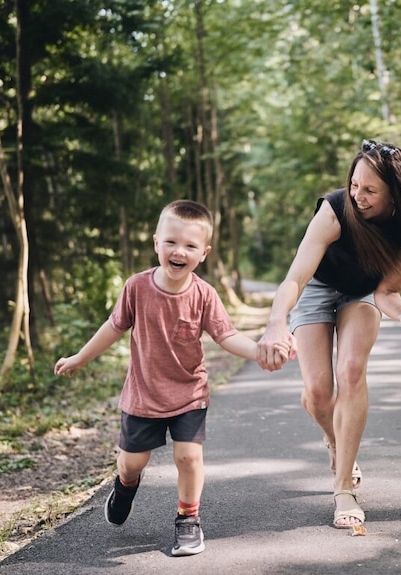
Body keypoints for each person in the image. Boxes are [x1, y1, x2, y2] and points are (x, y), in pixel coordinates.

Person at [54, 200, 291, 556]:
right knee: (133, 461)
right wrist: (79, 358)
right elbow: (113, 327)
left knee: (189, 458)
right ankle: (125, 484)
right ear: (156, 243)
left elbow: (226, 336)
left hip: (189, 394)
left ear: (204, 253)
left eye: (190, 246)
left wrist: (259, 350)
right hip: (143, 395)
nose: (179, 251)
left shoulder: (204, 295)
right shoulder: (137, 287)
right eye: (171, 242)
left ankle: (188, 520)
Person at [256, 139, 401, 529]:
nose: (358, 195)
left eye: (369, 190)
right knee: (317, 392)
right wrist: (277, 320)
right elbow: (296, 277)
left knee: (350, 371)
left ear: (394, 195)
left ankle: (343, 485)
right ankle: (335, 438)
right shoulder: (334, 210)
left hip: (361, 296)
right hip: (315, 288)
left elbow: (387, 292)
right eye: (354, 185)